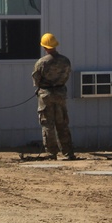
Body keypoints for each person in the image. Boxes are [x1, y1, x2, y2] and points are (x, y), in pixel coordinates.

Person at [31, 32, 75, 160]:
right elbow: (66, 76)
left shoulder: (41, 62)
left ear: (44, 47)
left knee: (47, 124)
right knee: (62, 123)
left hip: (46, 95)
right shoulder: (65, 61)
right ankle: (68, 152)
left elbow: (36, 80)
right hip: (61, 93)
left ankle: (52, 153)